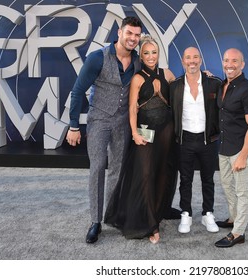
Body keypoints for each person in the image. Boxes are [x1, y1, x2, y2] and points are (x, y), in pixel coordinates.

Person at [66, 16, 143, 244]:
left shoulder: (138, 61)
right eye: (129, 33)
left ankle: (113, 216)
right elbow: (78, 92)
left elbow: (159, 76)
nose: (133, 38)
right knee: (98, 167)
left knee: (118, 170)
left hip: (122, 123)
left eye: (137, 35)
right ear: (119, 32)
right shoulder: (97, 58)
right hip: (98, 120)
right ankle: (95, 221)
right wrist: (73, 126)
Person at [103, 34, 177, 244]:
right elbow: (132, 109)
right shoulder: (137, 78)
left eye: (154, 52)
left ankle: (156, 212)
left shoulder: (167, 73)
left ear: (158, 54)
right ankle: (150, 225)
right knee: (145, 174)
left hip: (167, 131)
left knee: (163, 173)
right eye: (146, 53)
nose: (151, 56)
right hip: (144, 131)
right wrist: (135, 133)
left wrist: (202, 75)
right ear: (141, 56)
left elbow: (181, 88)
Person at [170, 47, 221, 234]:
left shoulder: (214, 83)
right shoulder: (174, 86)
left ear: (201, 60)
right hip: (184, 140)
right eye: (188, 58)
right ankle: (186, 214)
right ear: (183, 61)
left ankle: (208, 214)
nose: (192, 61)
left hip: (208, 140)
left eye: (196, 57)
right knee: (185, 180)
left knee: (208, 179)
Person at [214, 48, 248, 248]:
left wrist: (243, 156)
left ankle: (238, 233)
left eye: (234, 61)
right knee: (227, 186)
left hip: (240, 150)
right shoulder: (223, 85)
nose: (229, 64)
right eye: (226, 60)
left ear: (242, 64)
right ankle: (234, 218)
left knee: (242, 191)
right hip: (225, 147)